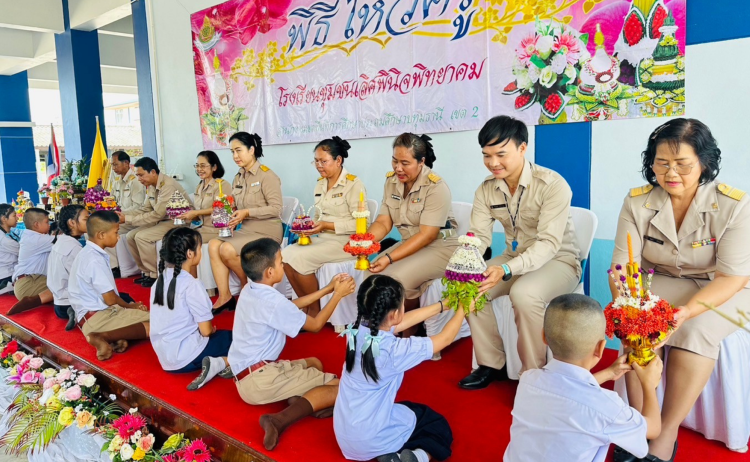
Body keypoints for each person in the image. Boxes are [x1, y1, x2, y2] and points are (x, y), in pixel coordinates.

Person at [610, 118, 750, 462]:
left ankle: (666, 431)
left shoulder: (734, 205)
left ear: (704, 163)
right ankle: (639, 424)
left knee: (696, 330)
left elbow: (732, 277)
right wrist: (629, 307)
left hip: (722, 287)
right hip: (661, 281)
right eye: (662, 163)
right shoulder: (637, 201)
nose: (671, 173)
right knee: (636, 329)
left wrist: (685, 313)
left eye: (683, 164)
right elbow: (623, 268)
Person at [461, 115, 581, 390]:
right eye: (487, 155)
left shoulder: (552, 184)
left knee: (524, 293)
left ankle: (534, 375)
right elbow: (479, 236)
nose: (493, 163)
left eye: (501, 154)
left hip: (558, 261)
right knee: (468, 287)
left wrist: (505, 269)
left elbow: (549, 244)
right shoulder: (486, 189)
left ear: (522, 148)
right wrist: (467, 261)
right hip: (514, 258)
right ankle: (491, 363)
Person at [226, 238, 355, 450]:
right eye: (280, 262)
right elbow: (315, 326)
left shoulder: (251, 289)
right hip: (261, 379)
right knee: (340, 387)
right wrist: (338, 295)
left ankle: (301, 400)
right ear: (269, 272)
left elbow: (288, 306)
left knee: (315, 363)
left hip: (247, 375)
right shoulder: (272, 301)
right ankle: (278, 420)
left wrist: (327, 289)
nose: (283, 266)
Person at [504, 294, 663, 462]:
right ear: (601, 348)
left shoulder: (528, 380)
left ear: (544, 336)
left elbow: (567, 392)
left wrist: (608, 373)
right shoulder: (607, 406)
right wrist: (648, 385)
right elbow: (653, 428)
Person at [334, 275, 468, 462]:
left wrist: (442, 305)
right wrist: (464, 307)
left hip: (345, 434)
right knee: (435, 424)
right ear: (394, 314)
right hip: (370, 438)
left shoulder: (355, 329)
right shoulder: (393, 351)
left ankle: (390, 455)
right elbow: (444, 339)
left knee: (408, 409)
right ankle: (417, 456)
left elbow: (400, 322)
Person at [366, 133, 459, 330]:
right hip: (411, 243)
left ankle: (410, 331)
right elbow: (384, 221)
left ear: (421, 162)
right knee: (370, 275)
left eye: (405, 163)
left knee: (397, 280)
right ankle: (387, 327)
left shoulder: (436, 186)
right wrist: (364, 242)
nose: (398, 168)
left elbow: (427, 235)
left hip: (440, 247)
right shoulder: (391, 182)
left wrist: (389, 258)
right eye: (394, 161)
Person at [283, 136, 365, 316]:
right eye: (316, 161)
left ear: (338, 160)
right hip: (322, 238)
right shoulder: (320, 183)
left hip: (346, 242)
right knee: (285, 255)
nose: (319, 165)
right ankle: (305, 304)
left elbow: (360, 224)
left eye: (323, 161)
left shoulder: (353, 184)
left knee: (301, 259)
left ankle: (315, 310)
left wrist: (325, 225)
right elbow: (319, 214)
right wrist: (307, 225)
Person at [150, 227, 232, 391]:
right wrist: (209, 329)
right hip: (190, 356)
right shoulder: (191, 284)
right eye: (200, 248)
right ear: (190, 254)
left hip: (166, 358)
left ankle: (219, 361)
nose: (201, 252)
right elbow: (206, 331)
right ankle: (221, 362)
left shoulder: (158, 282)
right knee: (240, 339)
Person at [209, 132, 283, 313]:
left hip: (267, 230)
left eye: (239, 150)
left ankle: (247, 287)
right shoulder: (238, 177)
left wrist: (247, 212)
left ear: (252, 150)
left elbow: (276, 209)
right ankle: (225, 296)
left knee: (226, 249)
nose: (235, 156)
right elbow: (236, 206)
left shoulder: (267, 176)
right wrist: (227, 215)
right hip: (247, 229)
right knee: (213, 245)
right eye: (232, 152)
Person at [69, 211, 150, 360]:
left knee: (144, 317)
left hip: (91, 316)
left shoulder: (87, 252)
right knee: (159, 323)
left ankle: (115, 338)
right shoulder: (94, 259)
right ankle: (100, 336)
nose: (118, 237)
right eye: (116, 232)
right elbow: (110, 299)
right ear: (101, 235)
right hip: (98, 319)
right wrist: (131, 306)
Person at [118, 157, 191, 287]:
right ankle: (145, 272)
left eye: (141, 175)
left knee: (142, 237)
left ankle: (155, 274)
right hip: (162, 220)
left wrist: (127, 219)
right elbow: (145, 208)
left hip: (177, 221)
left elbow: (157, 214)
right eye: (137, 175)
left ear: (152, 172)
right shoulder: (151, 185)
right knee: (130, 236)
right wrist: (123, 215)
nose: (139, 179)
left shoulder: (167, 186)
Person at [47, 205, 89, 330]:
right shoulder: (74, 248)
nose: (91, 222)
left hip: (58, 304)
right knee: (119, 298)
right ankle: (78, 313)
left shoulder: (61, 241)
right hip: (70, 303)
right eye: (86, 219)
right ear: (72, 223)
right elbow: (85, 281)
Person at [7, 208, 54, 314]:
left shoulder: (32, 236)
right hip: (28, 284)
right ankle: (33, 301)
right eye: (47, 222)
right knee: (66, 285)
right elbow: (63, 242)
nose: (49, 225)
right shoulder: (36, 239)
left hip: (30, 281)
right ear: (36, 224)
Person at [108, 150, 147, 275]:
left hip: (132, 219)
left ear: (126, 163)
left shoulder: (135, 181)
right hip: (120, 217)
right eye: (112, 165)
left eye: (115, 164)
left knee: (106, 230)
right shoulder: (117, 181)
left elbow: (138, 206)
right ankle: (112, 265)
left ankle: (116, 268)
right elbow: (113, 201)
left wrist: (119, 214)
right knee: (96, 228)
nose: (113, 168)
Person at [176, 151, 228, 241]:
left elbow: (221, 209)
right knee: (174, 237)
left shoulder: (222, 185)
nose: (199, 169)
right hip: (201, 228)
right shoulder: (199, 186)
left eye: (203, 166)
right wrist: (185, 214)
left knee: (185, 241)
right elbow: (198, 214)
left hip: (216, 230)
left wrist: (195, 213)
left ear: (214, 167)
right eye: (197, 165)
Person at [0, 204, 21, 295]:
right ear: (4, 219)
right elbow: (24, 252)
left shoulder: (9, 232)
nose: (17, 219)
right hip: (7, 275)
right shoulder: (3, 239)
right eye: (14, 215)